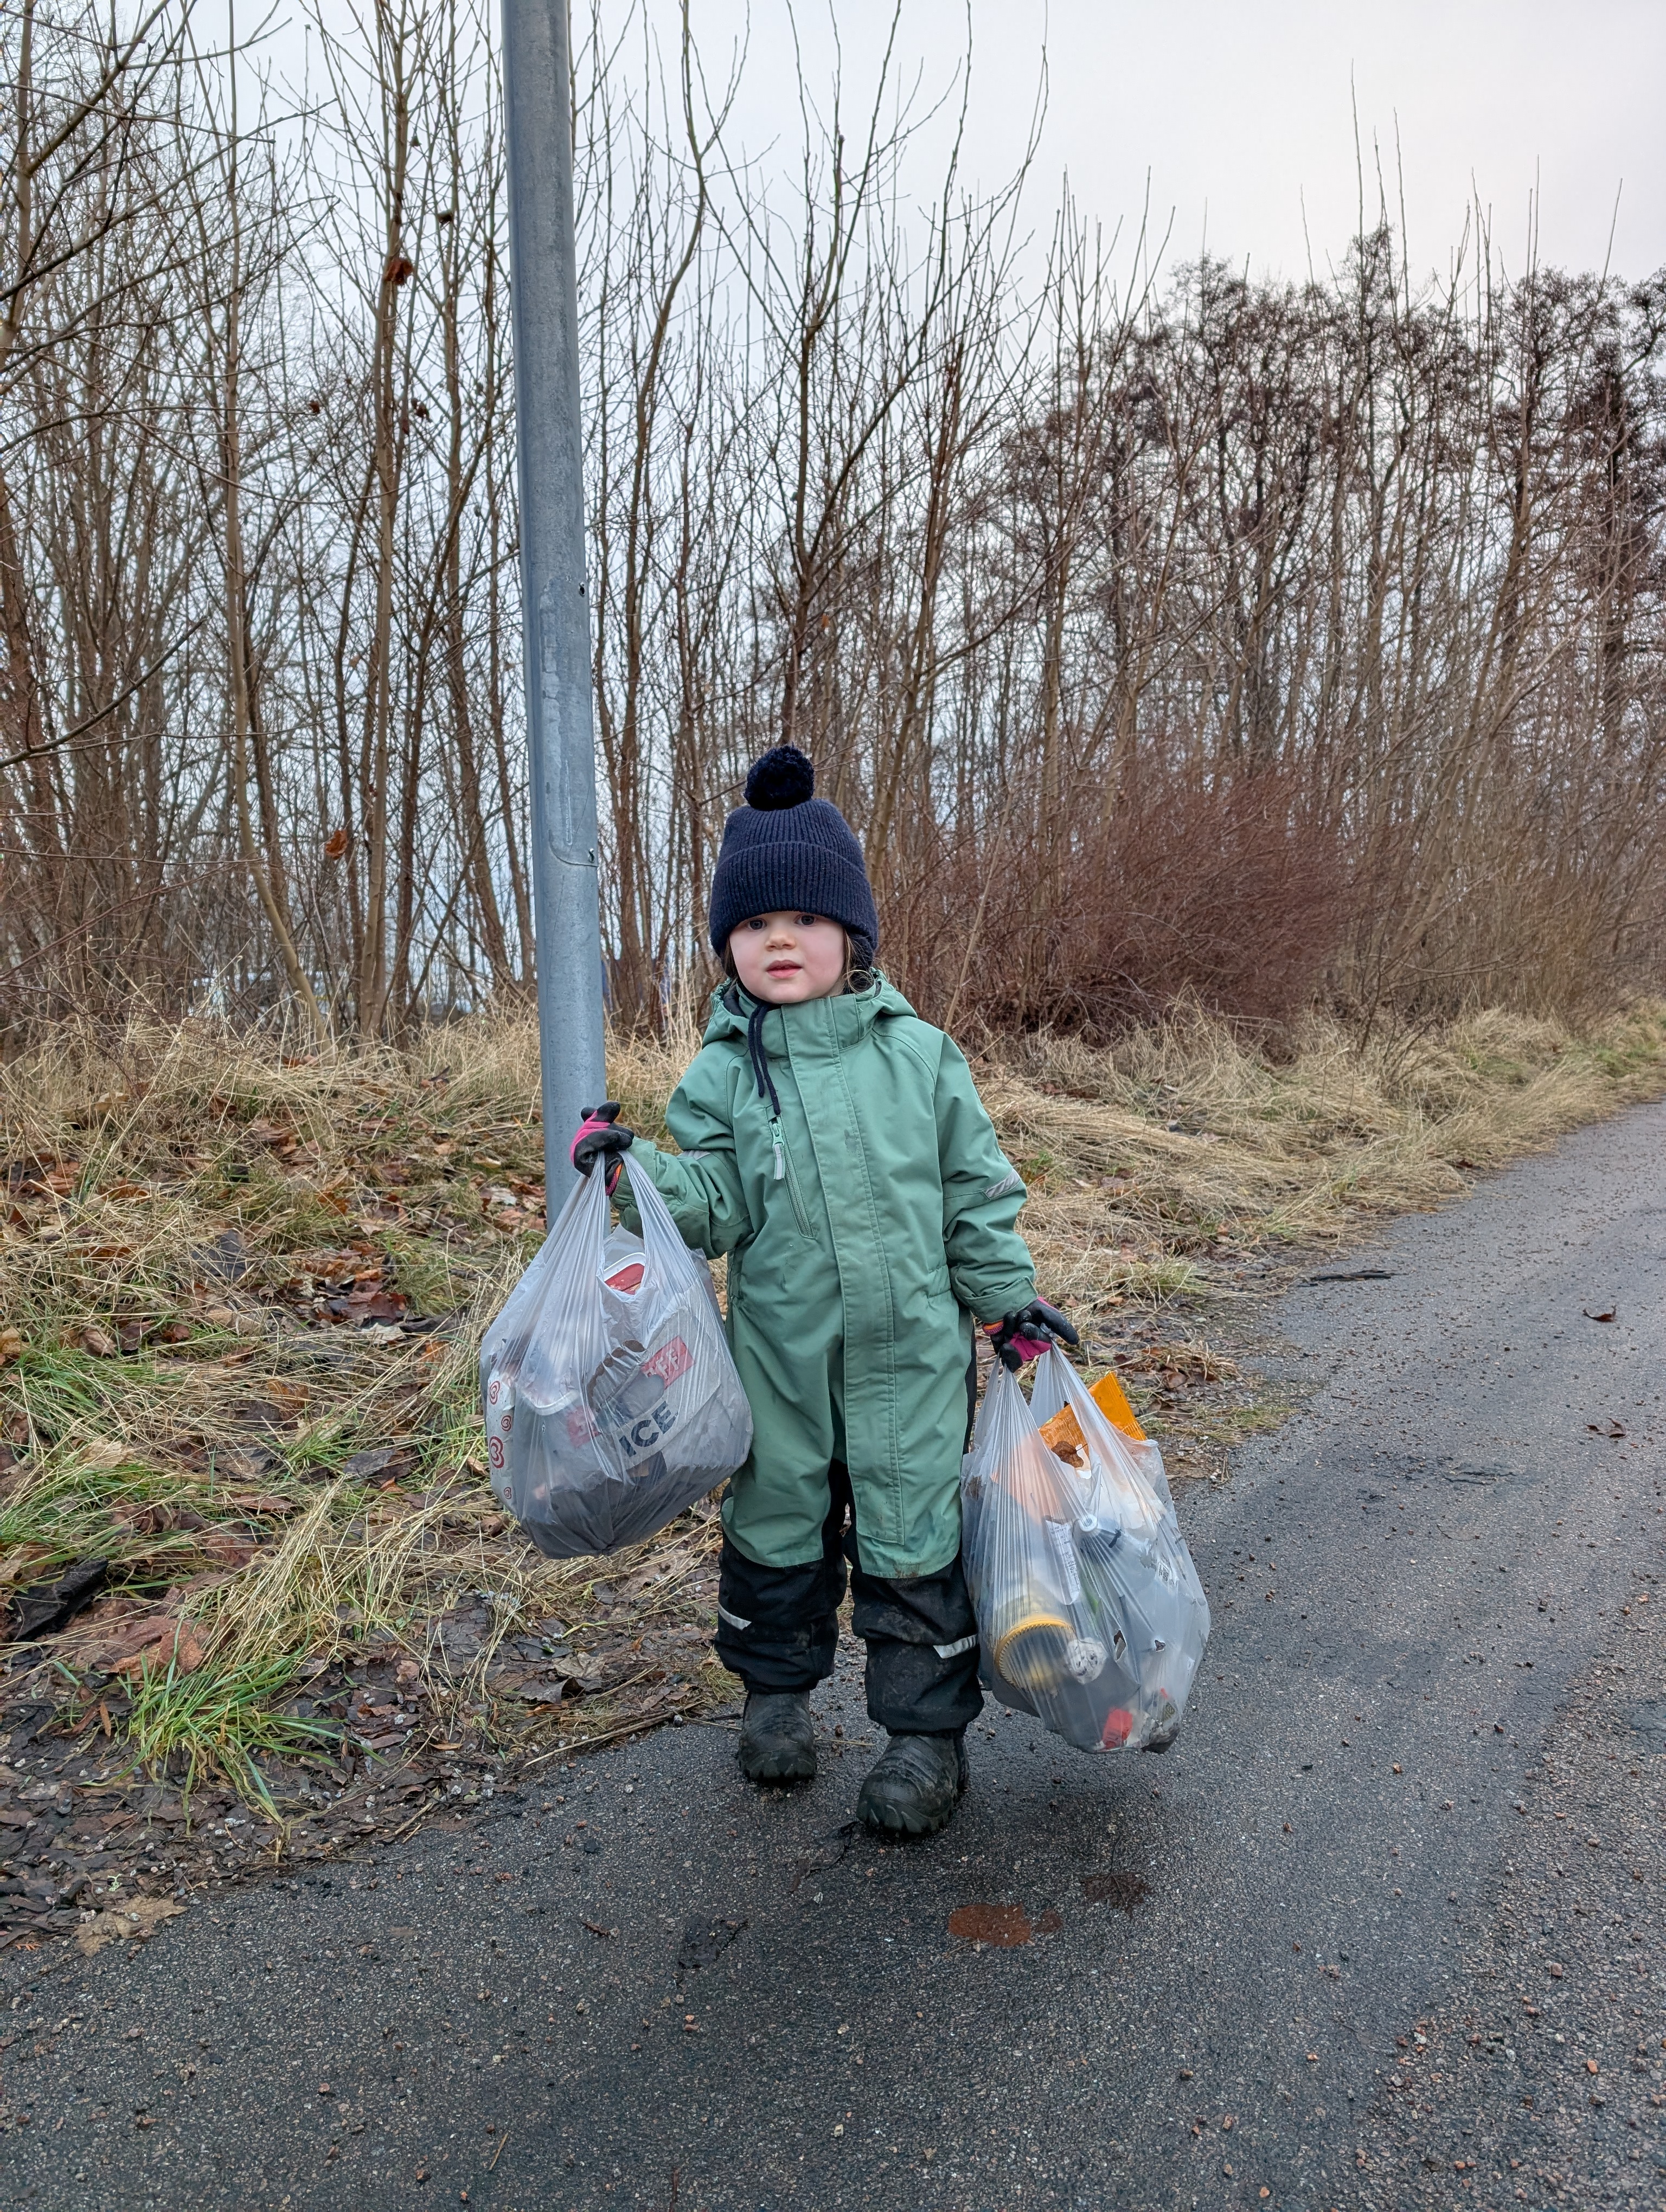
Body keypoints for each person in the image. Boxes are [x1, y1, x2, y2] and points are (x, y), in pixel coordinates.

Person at [569, 745, 1074, 1837]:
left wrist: (1008, 1307)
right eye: (755, 926)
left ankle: (923, 1742)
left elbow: (974, 1193)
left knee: (913, 1543)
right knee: (776, 1532)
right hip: (781, 1366)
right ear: (729, 948)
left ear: (853, 936)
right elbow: (708, 1204)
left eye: (803, 920)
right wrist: (633, 1173)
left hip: (910, 1367)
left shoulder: (923, 1059)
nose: (780, 940)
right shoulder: (718, 1075)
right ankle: (776, 1702)